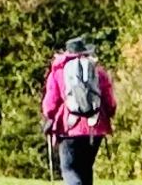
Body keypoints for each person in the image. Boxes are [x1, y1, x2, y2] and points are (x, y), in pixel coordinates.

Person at [42, 37, 115, 185]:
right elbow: (110, 103)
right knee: (86, 168)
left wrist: (49, 118)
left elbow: (50, 104)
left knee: (70, 169)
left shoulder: (58, 72)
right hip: (95, 127)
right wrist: (108, 115)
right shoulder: (98, 71)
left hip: (69, 128)